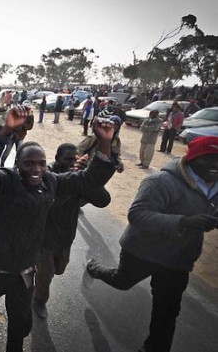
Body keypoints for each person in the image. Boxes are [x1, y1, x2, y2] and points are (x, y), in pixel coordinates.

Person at [0, 106, 115, 352]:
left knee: (21, 326)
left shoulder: (50, 182)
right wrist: (6, 130)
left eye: (41, 164)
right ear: (18, 165)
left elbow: (88, 181)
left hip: (24, 270)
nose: (36, 169)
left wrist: (104, 144)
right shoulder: (4, 182)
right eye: (29, 164)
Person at [84, 136, 218, 352]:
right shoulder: (161, 182)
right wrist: (183, 222)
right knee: (122, 281)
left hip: (178, 259)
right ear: (192, 159)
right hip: (143, 251)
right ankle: (93, 268)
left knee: (167, 311)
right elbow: (137, 214)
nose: (215, 166)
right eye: (209, 159)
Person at [32, 143, 111, 318]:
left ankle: (33, 272)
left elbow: (103, 200)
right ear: (56, 159)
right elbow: (52, 202)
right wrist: (74, 179)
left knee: (59, 269)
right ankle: (39, 300)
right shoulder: (48, 176)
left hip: (65, 237)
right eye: (67, 160)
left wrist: (89, 178)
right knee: (47, 274)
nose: (70, 164)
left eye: (74, 160)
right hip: (43, 238)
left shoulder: (80, 178)